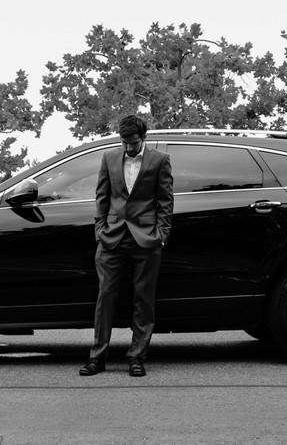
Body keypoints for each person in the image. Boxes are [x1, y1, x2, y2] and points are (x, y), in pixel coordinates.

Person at [80, 114, 174, 377]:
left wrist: (162, 234)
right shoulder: (109, 159)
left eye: (133, 143)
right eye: (124, 142)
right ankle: (97, 357)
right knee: (105, 297)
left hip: (146, 238)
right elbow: (102, 196)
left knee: (143, 300)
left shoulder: (159, 160)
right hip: (112, 237)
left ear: (143, 138)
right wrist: (100, 230)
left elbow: (166, 201)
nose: (129, 148)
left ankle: (137, 357)